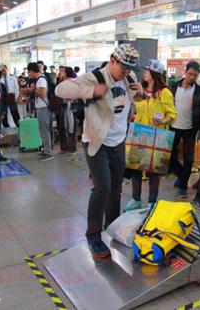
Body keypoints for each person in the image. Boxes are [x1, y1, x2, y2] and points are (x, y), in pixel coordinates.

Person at [55, 44, 144, 259]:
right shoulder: (95, 77)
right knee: (102, 187)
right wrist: (91, 91)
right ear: (112, 60)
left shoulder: (128, 76)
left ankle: (111, 226)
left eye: (129, 69)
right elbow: (60, 90)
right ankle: (93, 235)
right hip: (97, 141)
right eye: (122, 68)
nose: (125, 73)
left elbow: (134, 101)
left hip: (119, 141)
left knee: (115, 188)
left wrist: (139, 92)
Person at [124, 59, 176, 212]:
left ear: (155, 74)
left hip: (158, 135)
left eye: (147, 70)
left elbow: (172, 114)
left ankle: (152, 202)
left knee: (154, 172)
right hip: (139, 133)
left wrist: (162, 120)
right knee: (136, 169)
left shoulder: (164, 92)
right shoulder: (140, 90)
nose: (144, 73)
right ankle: (136, 199)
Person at [169, 60, 200, 197]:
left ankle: (183, 185)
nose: (192, 77)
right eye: (190, 74)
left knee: (188, 158)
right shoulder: (173, 87)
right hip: (173, 126)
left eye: (195, 75)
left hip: (190, 128)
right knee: (170, 156)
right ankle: (181, 175)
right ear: (185, 72)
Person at [27, 62, 54, 161]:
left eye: (28, 72)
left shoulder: (41, 80)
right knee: (43, 130)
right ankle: (46, 150)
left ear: (31, 71)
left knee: (44, 131)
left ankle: (48, 153)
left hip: (43, 108)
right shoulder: (39, 79)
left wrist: (34, 89)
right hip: (41, 108)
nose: (28, 75)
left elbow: (43, 94)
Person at [57, 66, 79, 154]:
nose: (60, 73)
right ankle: (64, 147)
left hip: (72, 105)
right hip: (63, 105)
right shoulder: (62, 81)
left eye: (63, 71)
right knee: (62, 126)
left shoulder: (73, 81)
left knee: (72, 126)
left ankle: (73, 148)